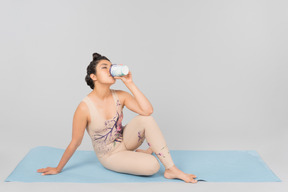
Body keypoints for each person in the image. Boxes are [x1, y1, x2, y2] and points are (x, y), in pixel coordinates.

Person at [37, 53, 198, 183]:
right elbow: (75, 142)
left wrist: (130, 83)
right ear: (93, 76)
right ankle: (147, 155)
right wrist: (58, 169)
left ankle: (171, 169)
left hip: (125, 142)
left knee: (146, 119)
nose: (110, 69)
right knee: (153, 167)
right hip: (110, 156)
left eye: (111, 66)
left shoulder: (120, 95)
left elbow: (148, 111)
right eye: (104, 67)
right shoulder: (84, 107)